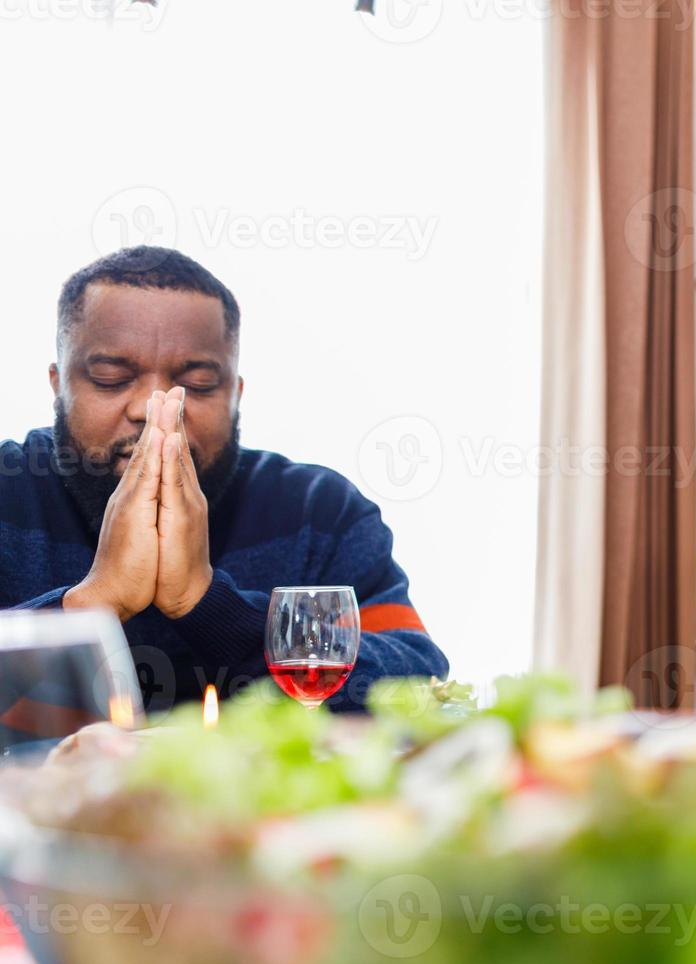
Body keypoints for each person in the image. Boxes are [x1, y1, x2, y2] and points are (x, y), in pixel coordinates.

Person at [1, 246, 448, 714]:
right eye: (112, 378)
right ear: (59, 384)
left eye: (196, 384)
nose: (156, 410)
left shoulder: (320, 513)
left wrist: (207, 603)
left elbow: (422, 685)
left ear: (235, 394)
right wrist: (91, 605)